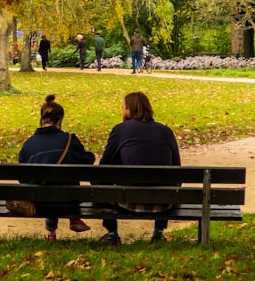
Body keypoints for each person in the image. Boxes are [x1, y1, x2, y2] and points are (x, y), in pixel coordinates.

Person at [98, 91, 181, 244]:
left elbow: (103, 168)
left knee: (101, 181)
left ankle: (112, 233)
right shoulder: (166, 131)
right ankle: (158, 232)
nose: (121, 111)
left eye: (123, 108)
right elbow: (177, 168)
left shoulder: (120, 130)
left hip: (127, 200)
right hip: (163, 202)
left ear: (129, 110)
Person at [17, 94, 95, 240]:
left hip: (40, 204)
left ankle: (51, 233)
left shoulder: (29, 144)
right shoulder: (70, 140)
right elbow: (88, 161)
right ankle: (74, 217)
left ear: (41, 120)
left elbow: (23, 177)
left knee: (47, 186)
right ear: (60, 120)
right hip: (68, 202)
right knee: (65, 183)